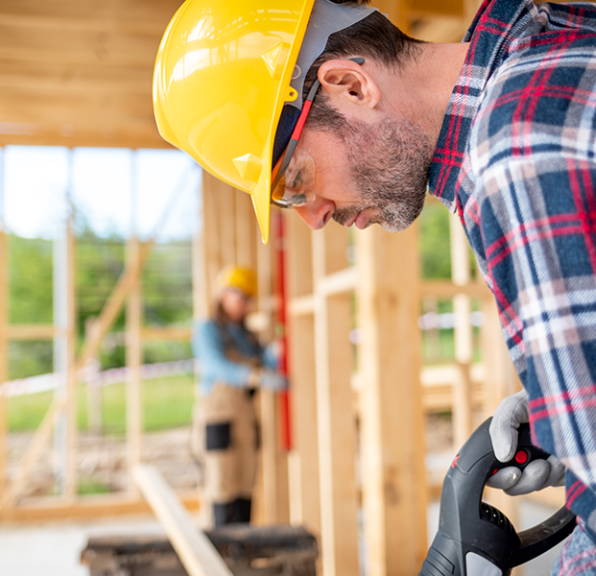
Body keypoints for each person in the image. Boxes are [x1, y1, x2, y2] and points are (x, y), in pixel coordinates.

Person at [153, 0, 596, 569]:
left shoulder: (513, 160)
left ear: (350, 86)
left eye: (295, 180)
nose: (312, 216)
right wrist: (563, 403)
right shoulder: (550, 40)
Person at [192, 265, 288, 527]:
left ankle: (243, 552)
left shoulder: (247, 336)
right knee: (222, 486)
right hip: (218, 418)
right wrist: (255, 377)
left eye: (248, 299)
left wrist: (276, 354)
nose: (244, 304)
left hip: (245, 418)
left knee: (245, 485)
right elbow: (216, 365)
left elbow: (263, 362)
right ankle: (221, 554)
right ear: (223, 295)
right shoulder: (208, 330)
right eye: (240, 297)